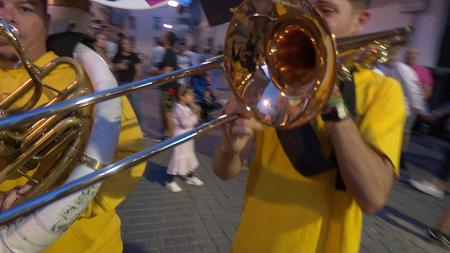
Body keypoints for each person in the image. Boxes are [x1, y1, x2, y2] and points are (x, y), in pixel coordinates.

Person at [212, 0, 406, 252]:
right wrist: (229, 148)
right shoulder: (272, 80)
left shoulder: (383, 92)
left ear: (359, 21)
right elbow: (223, 172)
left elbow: (372, 198)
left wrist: (331, 98)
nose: (308, 17)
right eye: (303, 5)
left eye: (326, 10)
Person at [0, 1, 145, 252]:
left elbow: (128, 157)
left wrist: (52, 206)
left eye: (23, 8)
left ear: (47, 19)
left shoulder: (83, 76)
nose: (6, 17)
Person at [165, 85, 204, 192]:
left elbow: (193, 122)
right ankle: (169, 181)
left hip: (187, 138)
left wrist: (196, 113)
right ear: (182, 97)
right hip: (180, 138)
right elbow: (185, 123)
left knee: (189, 156)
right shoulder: (178, 108)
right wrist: (196, 113)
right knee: (177, 158)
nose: (192, 96)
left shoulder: (186, 108)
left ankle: (190, 176)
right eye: (190, 94)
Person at [113, 37, 143, 121]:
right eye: (125, 43)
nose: (127, 45)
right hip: (121, 85)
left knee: (136, 108)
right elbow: (113, 70)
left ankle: (140, 129)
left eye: (129, 43)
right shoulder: (117, 56)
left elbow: (139, 71)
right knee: (124, 108)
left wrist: (134, 85)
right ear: (121, 45)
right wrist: (117, 67)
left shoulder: (134, 56)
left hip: (132, 84)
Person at [158, 31, 179, 139]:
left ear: (167, 40)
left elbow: (168, 71)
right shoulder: (168, 52)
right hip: (167, 87)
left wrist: (155, 72)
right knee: (164, 110)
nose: (161, 37)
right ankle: (166, 132)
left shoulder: (170, 53)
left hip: (169, 88)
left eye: (164, 35)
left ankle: (169, 134)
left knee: (167, 110)